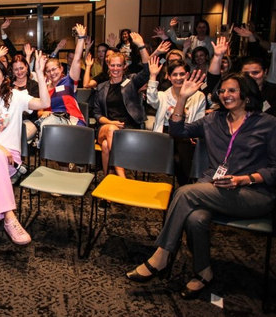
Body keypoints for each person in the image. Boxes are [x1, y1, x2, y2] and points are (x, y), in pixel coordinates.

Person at [126, 71, 276, 300]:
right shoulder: (213, 120)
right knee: (196, 219)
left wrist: (244, 179)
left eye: (232, 90)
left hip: (252, 192)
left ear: (246, 94)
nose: (226, 94)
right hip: (215, 188)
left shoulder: (267, 124)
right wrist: (182, 99)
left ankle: (162, 255)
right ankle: (204, 272)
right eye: (223, 90)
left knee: (185, 194)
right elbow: (177, 131)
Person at [0, 51, 50, 251]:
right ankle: (9, 216)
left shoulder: (16, 96)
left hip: (9, 159)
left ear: (4, 77)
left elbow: (45, 103)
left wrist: (38, 73)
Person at [92, 32, 150, 178]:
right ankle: (122, 178)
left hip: (128, 129)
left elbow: (147, 71)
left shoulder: (131, 82)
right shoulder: (102, 87)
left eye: (119, 65)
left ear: (124, 66)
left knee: (106, 146)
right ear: (108, 66)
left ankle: (108, 181)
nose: (116, 68)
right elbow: (97, 114)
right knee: (112, 130)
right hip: (106, 127)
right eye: (113, 65)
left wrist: (141, 46)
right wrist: (111, 122)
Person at [147, 57, 205, 185]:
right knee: (179, 155)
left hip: (187, 134)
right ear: (169, 77)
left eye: (182, 74)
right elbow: (151, 99)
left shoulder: (198, 96)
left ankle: (186, 185)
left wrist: (193, 134)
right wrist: (153, 76)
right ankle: (186, 185)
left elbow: (199, 120)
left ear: (187, 75)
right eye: (174, 74)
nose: (178, 78)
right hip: (166, 133)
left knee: (184, 148)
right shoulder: (163, 96)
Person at [36, 23, 87, 137]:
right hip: (52, 124)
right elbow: (39, 112)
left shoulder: (69, 81)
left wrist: (81, 39)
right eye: (48, 71)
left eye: (54, 69)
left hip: (73, 121)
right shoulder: (45, 89)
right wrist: (46, 113)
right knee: (48, 126)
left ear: (61, 68)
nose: (52, 73)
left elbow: (77, 60)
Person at [10, 54, 39, 141]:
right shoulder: (8, 85)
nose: (19, 72)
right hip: (10, 121)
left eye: (21, 68)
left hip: (28, 121)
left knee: (17, 138)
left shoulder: (34, 85)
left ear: (26, 67)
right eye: (16, 69)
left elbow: (34, 110)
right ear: (12, 70)